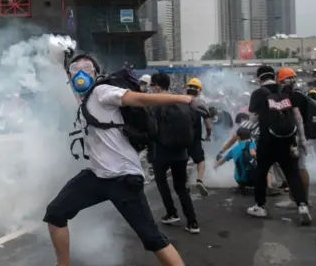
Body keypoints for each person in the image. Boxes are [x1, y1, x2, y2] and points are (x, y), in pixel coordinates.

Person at [43, 54, 209, 266]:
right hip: (97, 176)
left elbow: (139, 99)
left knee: (153, 239)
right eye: (76, 69)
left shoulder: (103, 92)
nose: (81, 74)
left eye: (88, 68)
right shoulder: (84, 99)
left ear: (96, 74)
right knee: (55, 214)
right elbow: (72, 86)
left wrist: (187, 99)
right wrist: (60, 62)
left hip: (123, 179)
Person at [247, 66, 311, 225]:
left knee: (261, 172)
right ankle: (302, 205)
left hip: (267, 139)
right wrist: (302, 140)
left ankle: (260, 206)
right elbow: (297, 117)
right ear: (274, 76)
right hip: (288, 139)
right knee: (292, 173)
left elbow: (253, 119)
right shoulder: (287, 91)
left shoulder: (258, 93)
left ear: (259, 78)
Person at [149, 72, 199, 234]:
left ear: (157, 86)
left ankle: (171, 213)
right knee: (181, 187)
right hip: (181, 152)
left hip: (161, 152)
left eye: (152, 86)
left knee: (162, 183)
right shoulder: (182, 102)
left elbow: (150, 129)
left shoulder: (155, 104)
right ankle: (192, 223)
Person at [273, 67, 313, 209]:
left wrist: (301, 139)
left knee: (295, 168)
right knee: (300, 167)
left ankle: (302, 199)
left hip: (292, 136)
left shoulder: (290, 97)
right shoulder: (302, 95)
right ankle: (303, 198)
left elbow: (298, 118)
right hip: (300, 136)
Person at [184, 78, 213, 196]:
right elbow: (208, 124)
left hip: (180, 138)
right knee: (200, 160)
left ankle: (185, 183)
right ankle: (199, 180)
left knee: (183, 161)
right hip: (194, 138)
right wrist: (208, 135)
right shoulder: (200, 103)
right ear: (199, 90)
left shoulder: (180, 100)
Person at [215, 127, 257, 193]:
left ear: (238, 137)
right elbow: (253, 153)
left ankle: (241, 186)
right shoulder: (251, 144)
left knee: (239, 166)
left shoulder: (234, 149)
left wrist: (215, 166)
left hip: (239, 180)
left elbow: (222, 161)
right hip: (252, 179)